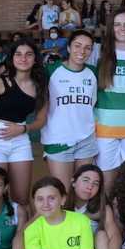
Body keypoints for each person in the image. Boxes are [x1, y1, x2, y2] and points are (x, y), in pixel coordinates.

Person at [0, 39, 45, 208]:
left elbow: (41, 120)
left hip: (20, 140)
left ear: (35, 59)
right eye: (18, 54)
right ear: (12, 58)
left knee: (21, 200)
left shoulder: (39, 86)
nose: (23, 58)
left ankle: (21, 234)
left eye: (28, 54)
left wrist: (23, 128)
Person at [37, 30, 98, 185]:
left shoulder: (93, 73)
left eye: (87, 48)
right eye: (77, 46)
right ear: (69, 48)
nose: (82, 51)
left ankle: (79, 212)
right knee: (63, 192)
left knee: (83, 191)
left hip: (86, 139)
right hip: (58, 139)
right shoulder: (51, 70)